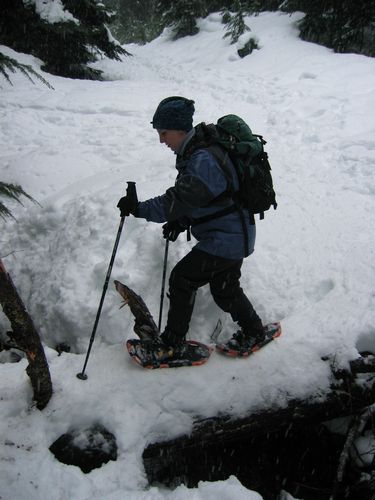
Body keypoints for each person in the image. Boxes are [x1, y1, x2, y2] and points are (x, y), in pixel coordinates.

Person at [117, 96, 264, 358]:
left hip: (226, 239)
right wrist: (182, 219)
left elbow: (178, 199)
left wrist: (139, 208)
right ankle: (254, 330)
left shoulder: (203, 159)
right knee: (225, 290)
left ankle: (172, 344)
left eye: (164, 133)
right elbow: (208, 198)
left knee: (182, 279)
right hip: (236, 236)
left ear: (180, 129)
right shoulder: (198, 152)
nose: (162, 140)